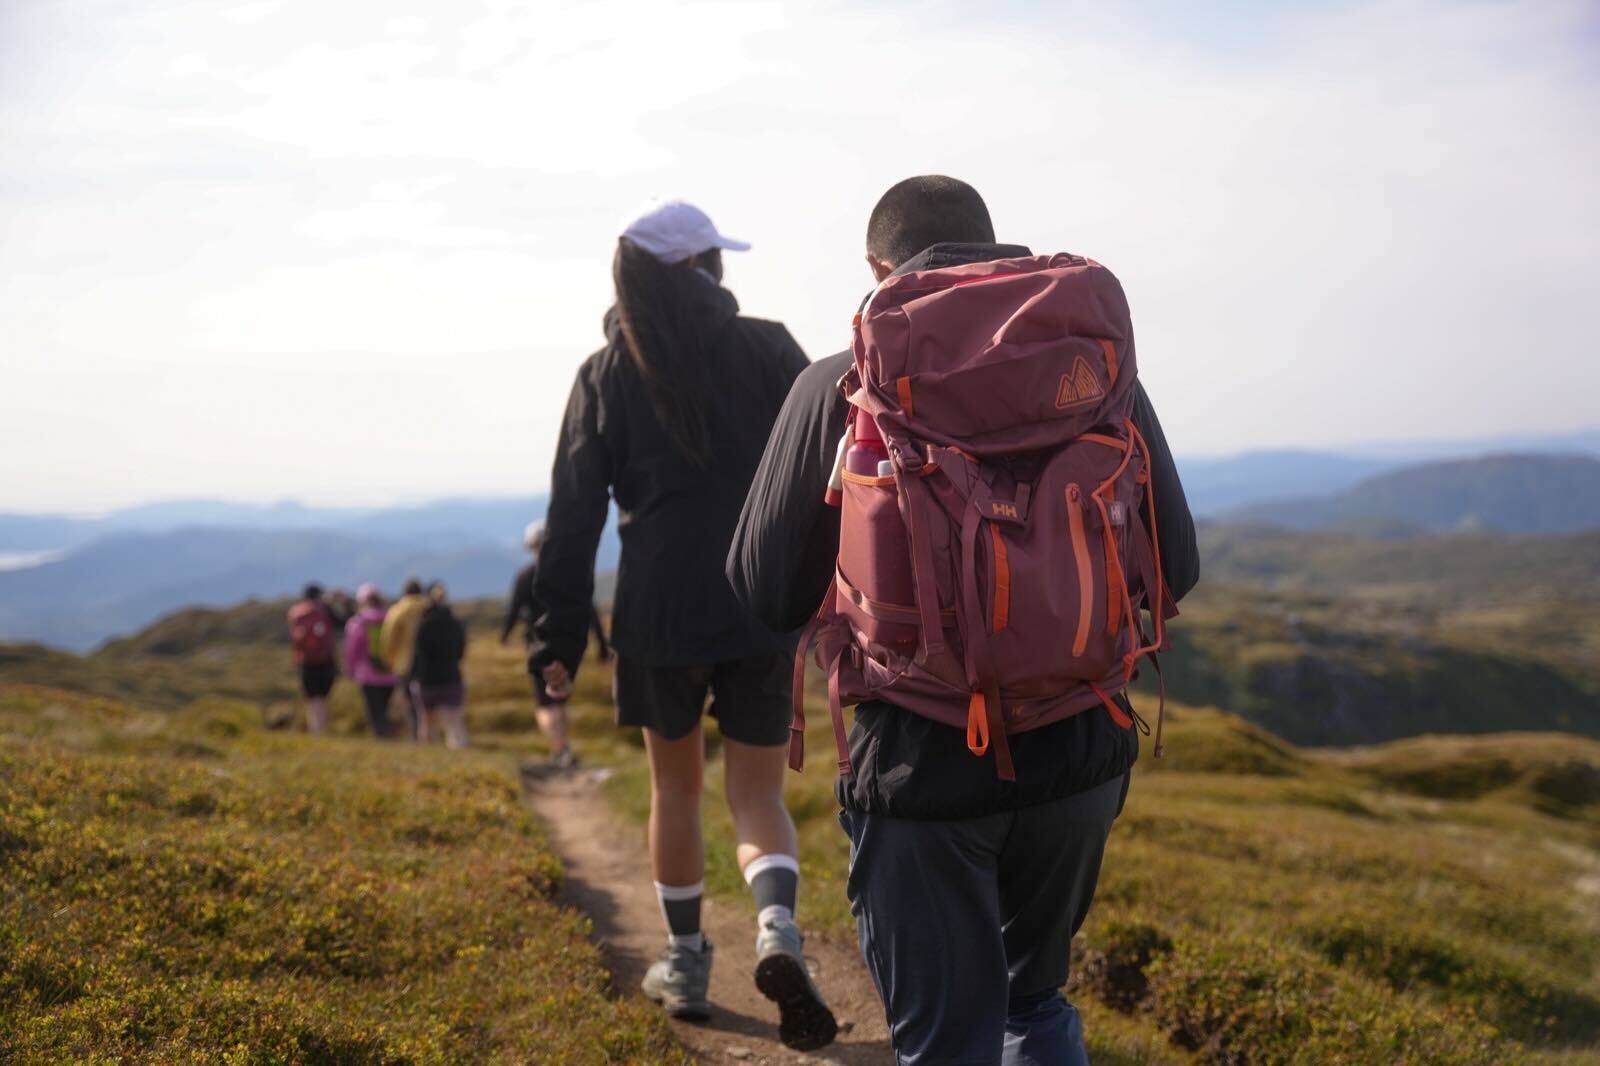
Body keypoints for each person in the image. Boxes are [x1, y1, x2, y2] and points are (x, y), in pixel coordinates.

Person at [727, 176, 1202, 1066]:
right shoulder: (1093, 377)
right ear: (996, 250)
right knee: (1037, 1001)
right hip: (1082, 751)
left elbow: (764, 588)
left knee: (945, 1044)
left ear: (877, 268)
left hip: (923, 763)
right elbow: (1180, 564)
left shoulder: (839, 384)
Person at [529, 199, 837, 1049]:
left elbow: (573, 517)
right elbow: (837, 466)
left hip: (656, 610)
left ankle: (688, 960)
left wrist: (555, 640)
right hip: (760, 601)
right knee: (758, 793)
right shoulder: (772, 348)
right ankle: (777, 929)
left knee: (676, 788)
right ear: (704, 270)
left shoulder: (604, 372)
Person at [501, 520, 611, 770]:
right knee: (561, 698)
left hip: (537, 647)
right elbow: (589, 612)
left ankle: (559, 747)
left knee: (544, 702)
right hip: (568, 647)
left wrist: (505, 636)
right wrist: (603, 648)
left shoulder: (525, 577)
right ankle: (564, 746)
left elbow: (513, 611)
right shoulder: (569, 574)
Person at [410, 582, 468, 748]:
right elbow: (460, 652)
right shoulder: (456, 623)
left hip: (427, 679)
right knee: (455, 722)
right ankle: (460, 755)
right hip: (451, 677)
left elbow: (418, 655)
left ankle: (427, 759)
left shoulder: (423, 625)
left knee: (426, 721)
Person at [345, 583, 398, 738]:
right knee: (384, 707)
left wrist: (350, 669)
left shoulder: (358, 622)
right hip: (390, 672)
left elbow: (351, 649)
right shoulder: (391, 619)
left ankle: (380, 736)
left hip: (367, 674)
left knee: (374, 710)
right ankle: (385, 735)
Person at [286, 583, 339, 734]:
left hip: (305, 661)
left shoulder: (296, 613)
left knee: (312, 699)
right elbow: (343, 621)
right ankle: (321, 729)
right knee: (322, 697)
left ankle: (316, 730)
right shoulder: (324, 610)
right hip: (325, 660)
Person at [383, 578, 429, 740]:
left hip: (404, 662)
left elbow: (389, 638)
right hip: (428, 661)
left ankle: (415, 734)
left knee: (409, 701)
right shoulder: (428, 608)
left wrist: (389, 659)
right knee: (426, 700)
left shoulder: (397, 611)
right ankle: (427, 733)